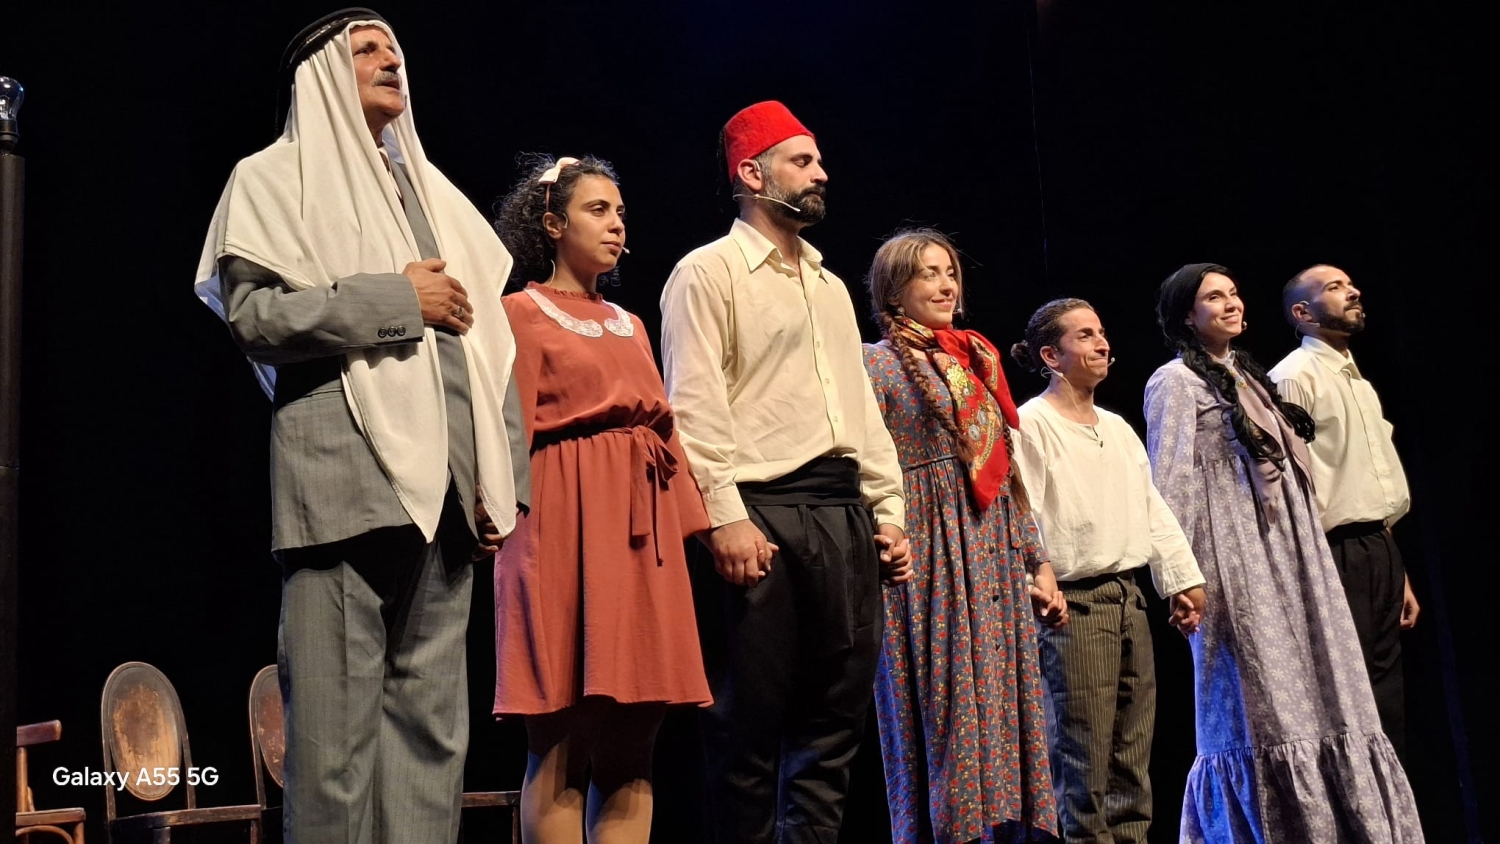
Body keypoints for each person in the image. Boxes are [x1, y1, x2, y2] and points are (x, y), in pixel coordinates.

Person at [193, 10, 530, 843]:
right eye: (366, 50)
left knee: (431, 744)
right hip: (344, 486)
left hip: (450, 503)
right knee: (334, 751)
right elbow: (255, 316)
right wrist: (396, 299)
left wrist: (505, 484)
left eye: (394, 49)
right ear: (319, 79)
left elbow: (494, 348)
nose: (390, 60)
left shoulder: (434, 194)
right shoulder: (275, 178)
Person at [658, 100, 911, 844]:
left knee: (835, 722)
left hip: (843, 513)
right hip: (762, 510)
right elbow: (693, 406)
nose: (821, 172)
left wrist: (888, 511)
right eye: (802, 161)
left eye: (818, 160)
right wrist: (724, 517)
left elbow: (858, 408)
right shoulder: (707, 272)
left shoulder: (828, 286)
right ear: (751, 173)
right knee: (747, 724)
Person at [1144, 263, 1422, 842]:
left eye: (1233, 292)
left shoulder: (1248, 375)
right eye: (1213, 297)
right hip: (1236, 558)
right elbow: (1170, 486)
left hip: (1289, 552)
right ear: (1187, 316)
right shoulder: (1173, 382)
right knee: (1262, 703)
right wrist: (1182, 577)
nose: (1231, 303)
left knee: (1321, 694)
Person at [491, 153, 712, 843]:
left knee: (635, 736)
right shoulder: (519, 313)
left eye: (620, 212)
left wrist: (694, 530)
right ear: (553, 224)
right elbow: (505, 432)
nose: (617, 224)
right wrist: (501, 526)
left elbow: (665, 432)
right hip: (561, 525)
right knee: (563, 734)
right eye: (597, 210)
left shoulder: (630, 322)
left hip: (641, 534)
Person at [861, 229, 1064, 844]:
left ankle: (1005, 829)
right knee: (943, 702)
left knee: (1003, 700)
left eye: (950, 272)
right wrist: (882, 534)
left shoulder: (975, 360)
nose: (946, 284)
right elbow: (861, 462)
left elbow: (1005, 469)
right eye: (928, 273)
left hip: (991, 548)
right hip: (928, 550)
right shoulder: (873, 362)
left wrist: (1035, 559)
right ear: (894, 290)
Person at [1010, 297, 1205, 844]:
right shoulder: (1031, 424)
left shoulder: (1117, 427)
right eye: (1084, 335)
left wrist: (1182, 580)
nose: (1101, 343)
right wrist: (1036, 580)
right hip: (1074, 606)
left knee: (1130, 754)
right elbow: (1021, 513)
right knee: (1081, 756)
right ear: (1050, 355)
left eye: (1101, 332)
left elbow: (1149, 506)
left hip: (1127, 600)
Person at [1269, 264, 1418, 759]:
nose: (1353, 291)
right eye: (1334, 288)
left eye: (1350, 284)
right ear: (1303, 312)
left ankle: (1391, 798)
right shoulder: (1294, 377)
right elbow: (1288, 486)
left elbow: (1371, 481)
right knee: (1349, 691)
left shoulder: (1358, 381)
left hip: (1376, 548)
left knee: (1386, 690)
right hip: (1333, 553)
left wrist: (1397, 570)